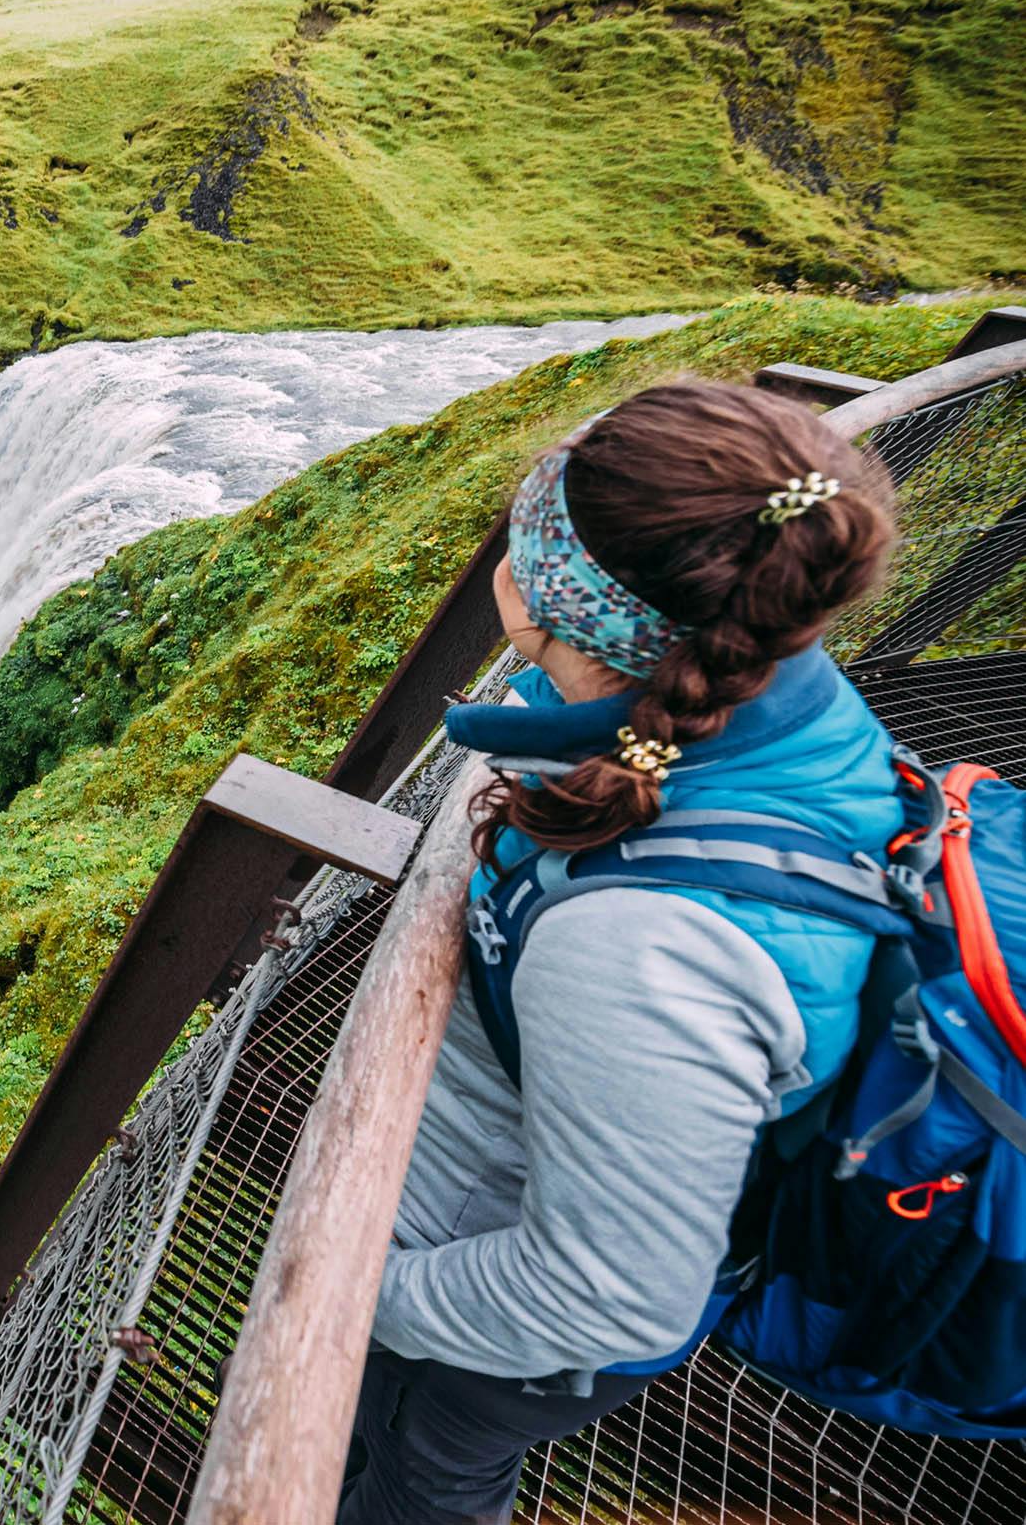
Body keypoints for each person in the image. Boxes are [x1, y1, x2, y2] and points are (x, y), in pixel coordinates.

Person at [339, 382, 900, 1524]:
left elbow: (607, 1295)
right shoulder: (772, 703)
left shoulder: (637, 948)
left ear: (544, 597)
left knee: (426, 1474)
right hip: (508, 1195)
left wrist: (350, 1296)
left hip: (479, 1313)